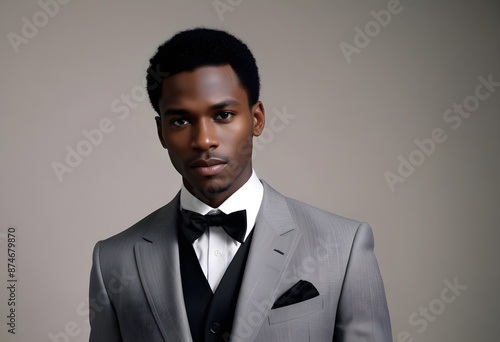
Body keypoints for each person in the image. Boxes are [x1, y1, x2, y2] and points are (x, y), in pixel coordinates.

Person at [89, 27, 392, 342]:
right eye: (180, 121)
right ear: (161, 133)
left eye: (223, 115)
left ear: (257, 118)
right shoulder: (113, 260)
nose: (204, 140)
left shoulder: (344, 248)